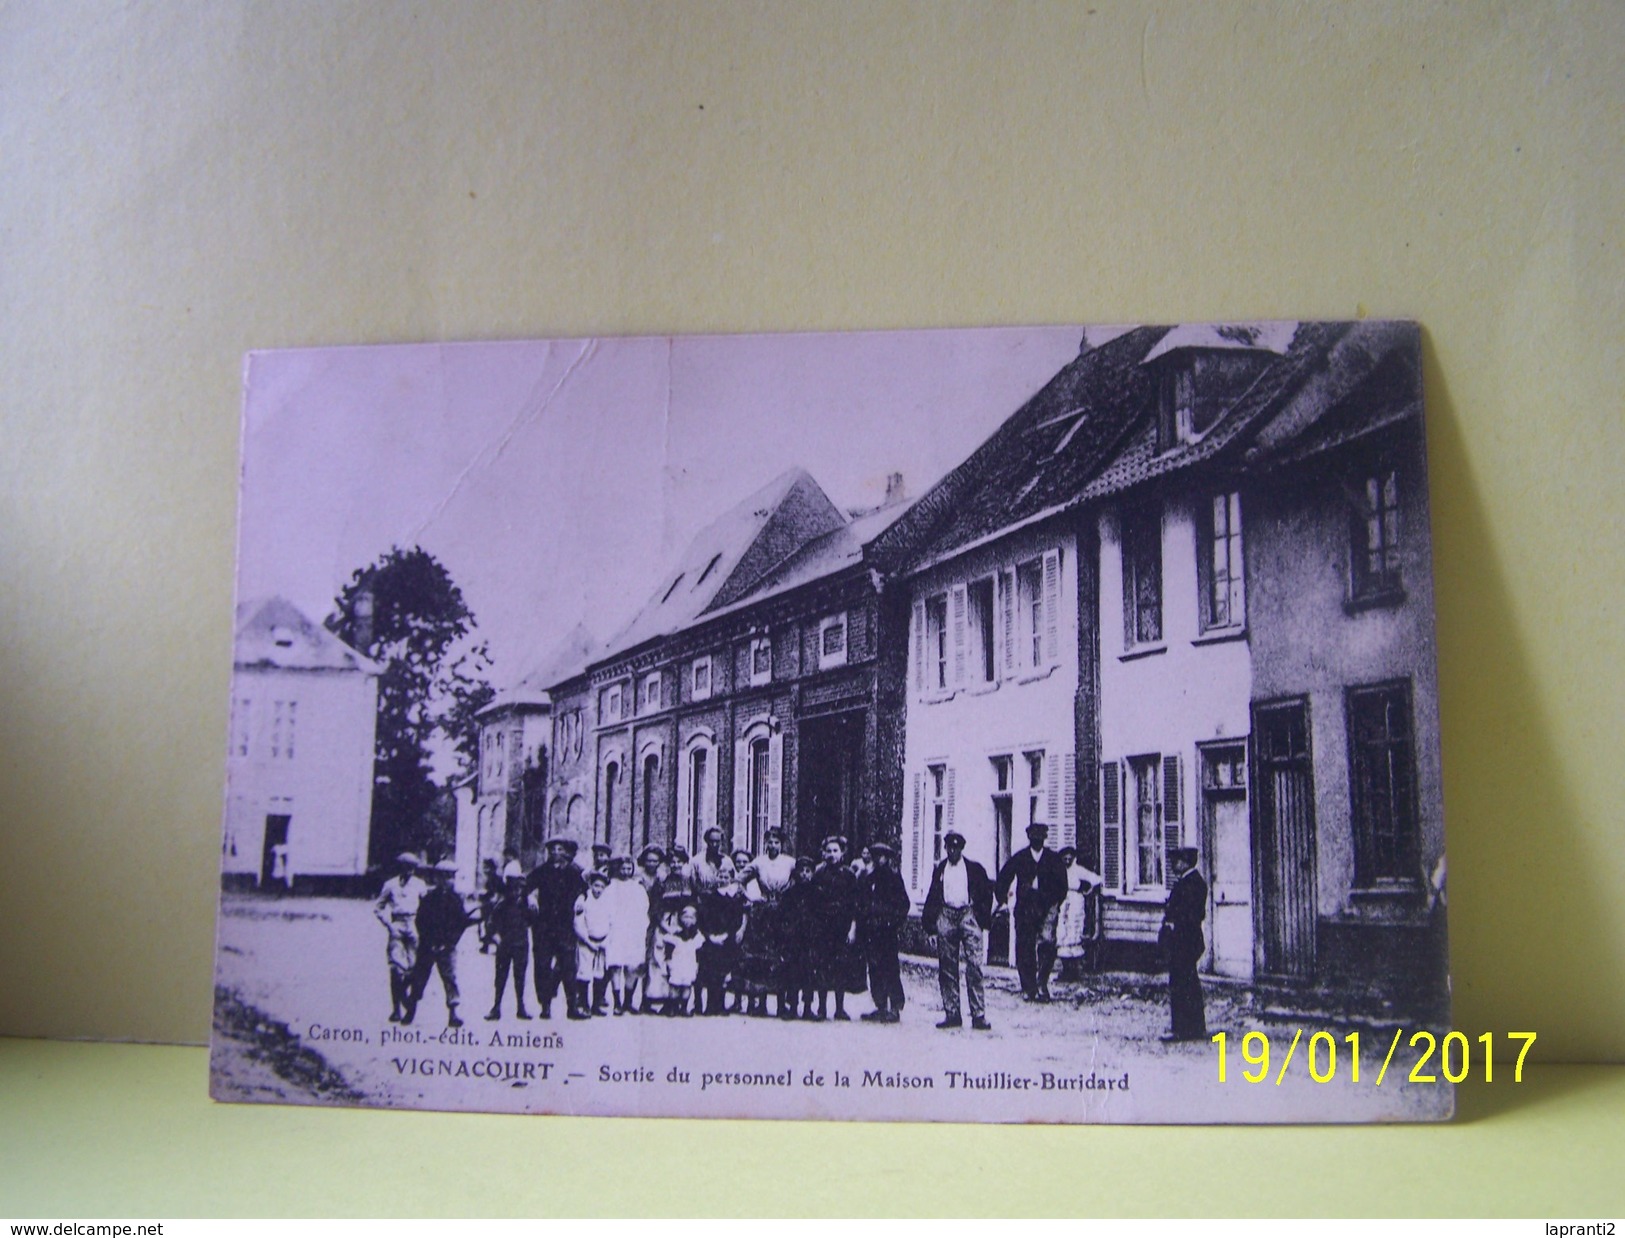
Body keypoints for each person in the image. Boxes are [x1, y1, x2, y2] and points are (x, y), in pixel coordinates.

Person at [921, 831, 993, 1030]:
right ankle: (952, 1013)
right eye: (949, 848)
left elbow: (987, 893)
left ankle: (978, 1015)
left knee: (974, 965)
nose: (952, 851)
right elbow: (933, 896)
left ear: (962, 849)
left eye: (956, 848)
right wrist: (930, 927)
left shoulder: (974, 869)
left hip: (968, 915)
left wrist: (982, 919)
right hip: (946, 915)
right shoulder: (940, 869)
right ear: (945, 848)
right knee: (947, 967)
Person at [995, 822, 1069, 1002]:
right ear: (1029, 838)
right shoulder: (1020, 858)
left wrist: (1055, 904)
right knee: (1024, 947)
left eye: (1040, 838)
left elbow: (1062, 884)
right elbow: (1004, 876)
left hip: (1047, 906)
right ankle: (1029, 987)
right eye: (1033, 837)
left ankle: (1042, 982)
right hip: (1026, 908)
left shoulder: (1053, 859)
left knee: (1048, 943)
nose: (1037, 840)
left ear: (1044, 839)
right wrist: (1002, 897)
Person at [405, 860, 474, 1027]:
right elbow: (420, 921)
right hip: (428, 946)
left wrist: (449, 943)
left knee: (450, 978)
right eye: (445, 876)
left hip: (447, 948)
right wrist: (429, 942)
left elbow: (460, 924)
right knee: (419, 977)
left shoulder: (456, 899)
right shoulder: (428, 898)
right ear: (438, 878)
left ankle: (453, 1014)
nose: (449, 880)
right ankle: (411, 1010)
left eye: (451, 877)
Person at [526, 837, 587, 1019]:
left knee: (568, 966)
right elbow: (526, 885)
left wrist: (581, 899)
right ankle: (545, 1006)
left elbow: (586, 889)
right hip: (544, 926)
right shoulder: (542, 871)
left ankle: (572, 1007)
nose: (555, 853)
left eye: (559, 849)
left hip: (565, 926)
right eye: (552, 849)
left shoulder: (575, 872)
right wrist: (531, 897)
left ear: (566, 852)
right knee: (542, 965)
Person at [808, 835, 863, 1021]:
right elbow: (812, 902)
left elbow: (855, 904)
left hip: (841, 926)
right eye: (828, 851)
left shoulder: (848, 875)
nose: (832, 854)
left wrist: (852, 928)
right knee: (822, 966)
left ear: (842, 853)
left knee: (841, 966)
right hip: (822, 926)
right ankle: (822, 1008)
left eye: (835, 851)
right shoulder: (818, 874)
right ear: (823, 853)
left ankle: (839, 1008)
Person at [372, 852, 429, 1023]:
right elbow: (378, 908)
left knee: (413, 969)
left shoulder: (420, 885)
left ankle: (410, 1005)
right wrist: (388, 925)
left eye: (412, 868)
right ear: (400, 868)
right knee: (396, 969)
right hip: (396, 925)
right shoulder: (390, 885)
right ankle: (396, 1009)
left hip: (414, 925)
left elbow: (427, 907)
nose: (409, 871)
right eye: (406, 868)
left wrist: (424, 926)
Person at [857, 842, 910, 1023]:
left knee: (890, 968)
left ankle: (895, 1007)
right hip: (872, 931)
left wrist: (892, 922)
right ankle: (880, 1005)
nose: (879, 860)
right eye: (876, 856)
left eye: (882, 856)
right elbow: (862, 903)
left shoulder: (894, 879)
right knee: (874, 968)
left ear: (887, 858)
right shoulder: (869, 879)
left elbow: (903, 905)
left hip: (887, 932)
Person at [1160, 847, 1208, 1041]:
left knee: (1182, 983)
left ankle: (1182, 1029)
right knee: (1188, 982)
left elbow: (1192, 914)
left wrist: (1173, 921)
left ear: (1186, 862)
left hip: (1184, 940)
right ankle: (1193, 1027)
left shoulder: (1191, 884)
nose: (1173, 865)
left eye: (1177, 861)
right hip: (1186, 939)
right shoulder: (1191, 882)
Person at [696, 859, 747, 1015]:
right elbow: (703, 918)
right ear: (716, 878)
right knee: (710, 972)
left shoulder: (733, 899)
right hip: (712, 939)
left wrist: (727, 935)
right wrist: (710, 935)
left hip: (726, 939)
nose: (723, 880)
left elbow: (736, 919)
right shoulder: (710, 897)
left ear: (731, 879)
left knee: (723, 973)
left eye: (726, 877)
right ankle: (710, 1005)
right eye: (720, 877)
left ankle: (721, 1005)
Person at [485, 861, 532, 1021]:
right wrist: (495, 937)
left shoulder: (526, 903)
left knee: (520, 977)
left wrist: (532, 907)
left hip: (521, 944)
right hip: (505, 944)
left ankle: (521, 1007)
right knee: (501, 976)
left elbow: (533, 921)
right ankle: (496, 1007)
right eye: (513, 887)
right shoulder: (502, 904)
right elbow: (491, 922)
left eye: (519, 888)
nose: (516, 891)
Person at [605, 856, 651, 1015]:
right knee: (616, 965)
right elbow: (607, 908)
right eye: (623, 868)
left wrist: (640, 927)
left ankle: (628, 1001)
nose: (626, 871)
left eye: (628, 868)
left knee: (632, 966)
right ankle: (617, 1002)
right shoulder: (611, 886)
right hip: (617, 929)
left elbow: (644, 907)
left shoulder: (638, 887)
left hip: (633, 930)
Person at [776, 855, 819, 1019]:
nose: (805, 875)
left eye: (808, 871)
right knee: (792, 972)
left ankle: (808, 1007)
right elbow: (783, 916)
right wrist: (787, 933)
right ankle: (792, 1006)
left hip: (810, 938)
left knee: (809, 973)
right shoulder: (789, 894)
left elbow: (821, 916)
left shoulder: (816, 893)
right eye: (802, 871)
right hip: (793, 939)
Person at [574, 869, 614, 1015]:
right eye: (596, 886)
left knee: (599, 974)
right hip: (587, 942)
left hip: (601, 943)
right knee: (584, 973)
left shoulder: (607, 902)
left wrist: (606, 940)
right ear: (590, 885)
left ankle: (596, 1005)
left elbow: (611, 922)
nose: (598, 889)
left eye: (602, 887)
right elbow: (578, 924)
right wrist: (587, 940)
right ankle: (583, 1004)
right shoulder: (584, 900)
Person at [1055, 846, 1102, 971]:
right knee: (1062, 931)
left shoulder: (1078, 870)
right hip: (1062, 901)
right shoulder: (1058, 871)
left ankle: (1074, 970)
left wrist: (1088, 892)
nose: (1067, 860)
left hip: (1076, 900)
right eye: (1064, 857)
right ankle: (1065, 969)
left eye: (1069, 857)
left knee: (1074, 930)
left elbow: (1096, 880)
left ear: (1073, 858)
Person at [661, 903, 703, 1016]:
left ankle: (683, 1007)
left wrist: (697, 965)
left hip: (689, 964)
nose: (688, 920)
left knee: (686, 986)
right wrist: (668, 962)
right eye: (685, 917)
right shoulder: (674, 934)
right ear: (680, 918)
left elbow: (699, 952)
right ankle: (673, 1006)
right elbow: (668, 950)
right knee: (674, 985)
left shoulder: (697, 937)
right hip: (676, 963)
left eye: (691, 917)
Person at [687, 829, 726, 896]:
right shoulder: (696, 861)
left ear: (721, 842)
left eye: (717, 841)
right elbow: (692, 884)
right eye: (711, 841)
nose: (714, 844)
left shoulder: (727, 861)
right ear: (707, 841)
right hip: (702, 900)